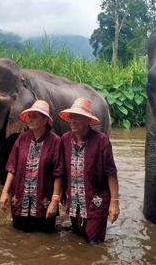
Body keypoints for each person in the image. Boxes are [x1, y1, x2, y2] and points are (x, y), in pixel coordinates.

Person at [59, 97, 120, 243]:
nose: (72, 121)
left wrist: (114, 202)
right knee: (78, 240)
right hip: (74, 202)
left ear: (88, 120)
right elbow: (63, 168)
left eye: (77, 117)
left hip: (96, 203)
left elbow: (111, 173)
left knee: (94, 244)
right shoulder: (65, 140)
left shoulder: (101, 141)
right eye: (71, 117)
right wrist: (62, 191)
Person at [0, 100, 64, 232]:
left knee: (45, 238)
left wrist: (55, 201)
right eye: (29, 117)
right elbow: (12, 167)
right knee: (19, 236)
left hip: (44, 202)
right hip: (20, 199)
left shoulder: (56, 141)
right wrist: (5, 192)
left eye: (34, 117)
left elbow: (58, 173)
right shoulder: (22, 139)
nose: (30, 120)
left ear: (45, 120)